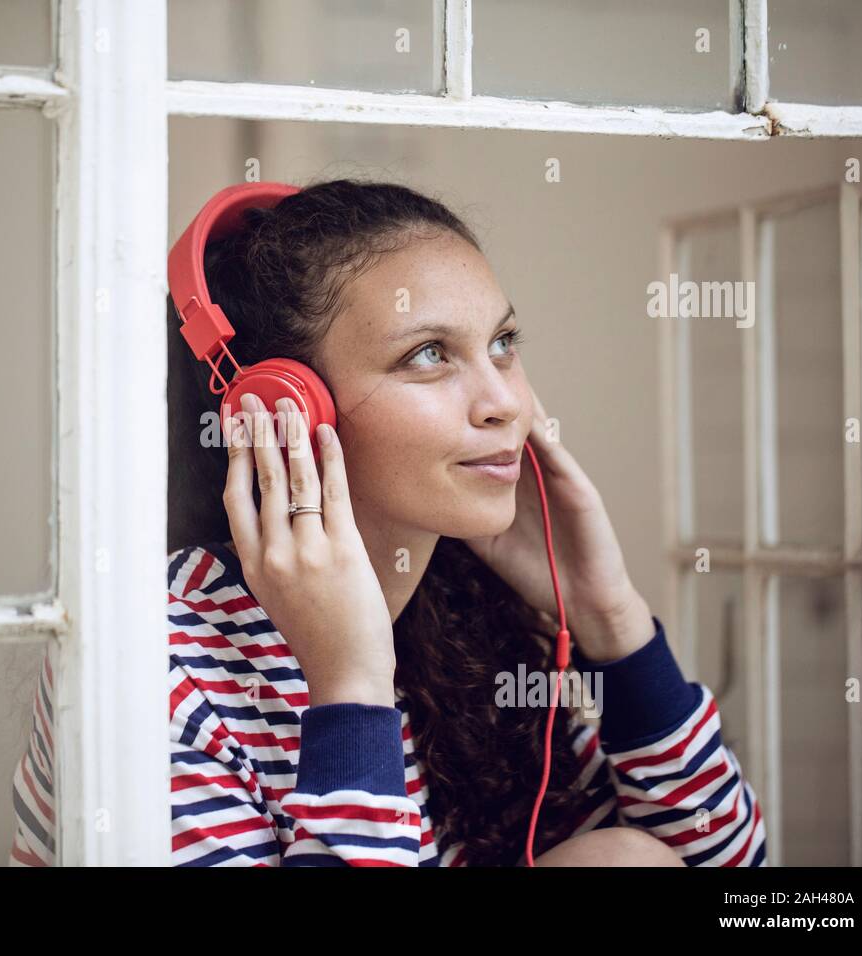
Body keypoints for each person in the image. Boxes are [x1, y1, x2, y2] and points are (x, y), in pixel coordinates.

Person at [161, 178, 766, 867]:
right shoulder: (166, 664)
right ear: (282, 406)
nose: (506, 402)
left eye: (503, 342)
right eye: (429, 354)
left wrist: (611, 619)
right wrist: (352, 689)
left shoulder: (470, 615)